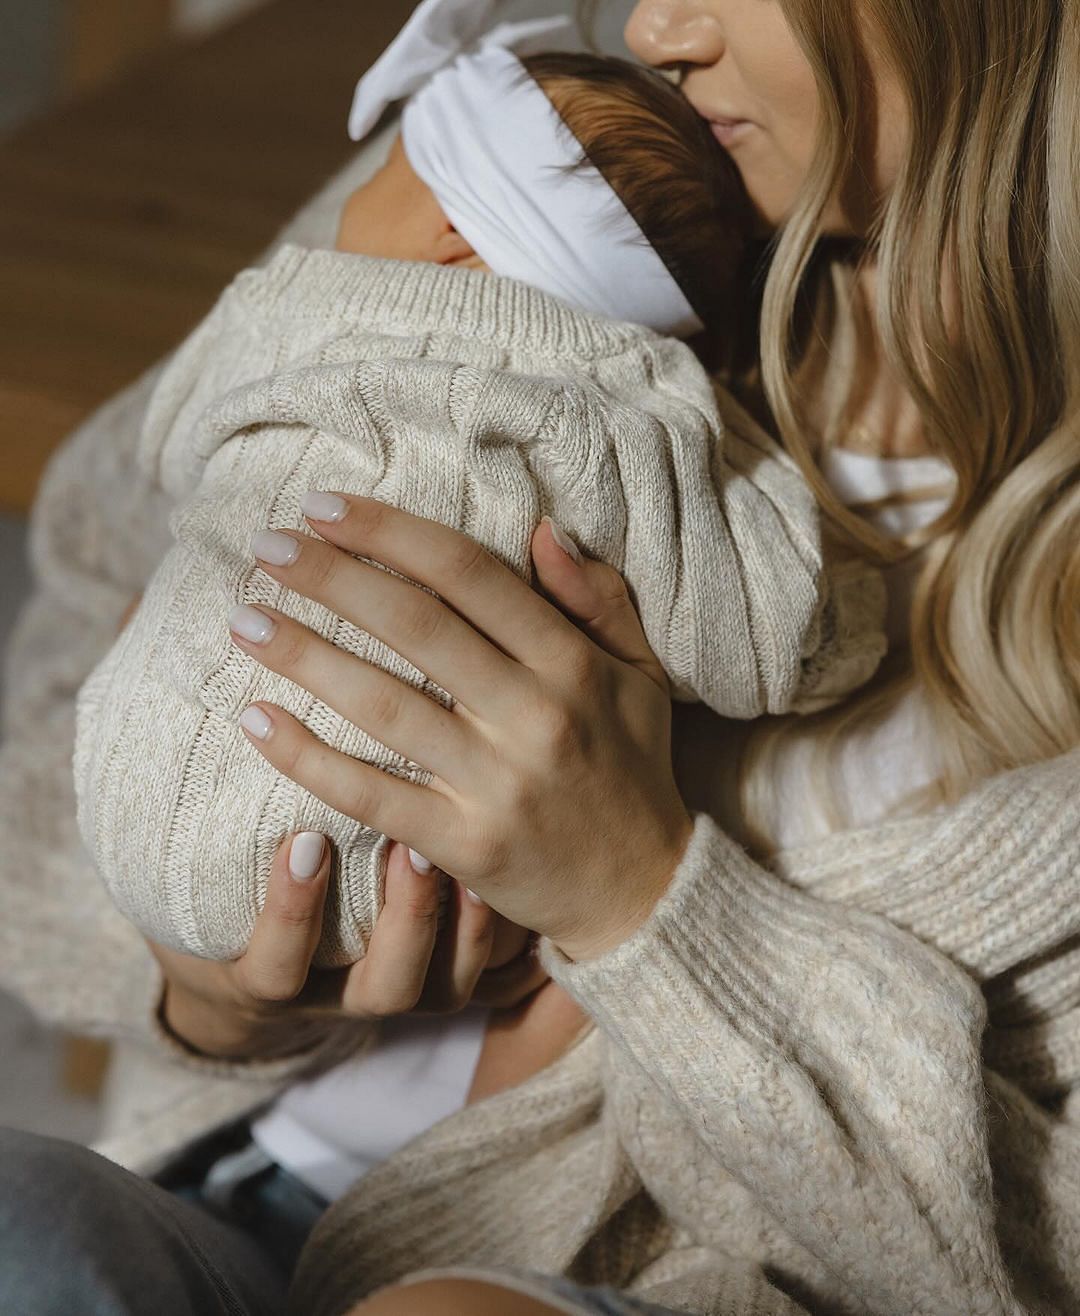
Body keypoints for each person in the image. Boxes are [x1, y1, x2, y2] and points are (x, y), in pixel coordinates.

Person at [0, 3, 1077, 1316]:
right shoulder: (545, 144)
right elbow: (90, 585)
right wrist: (204, 986)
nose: (654, 23)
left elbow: (1029, 1262)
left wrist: (642, 896)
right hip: (212, 1188)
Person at [73, 38, 886, 974]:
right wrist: (850, 625)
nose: (656, 25)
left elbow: (164, 444)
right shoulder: (620, 423)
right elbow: (760, 636)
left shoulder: (289, 301)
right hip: (380, 876)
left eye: (384, 171)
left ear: (453, 236)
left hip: (127, 760)